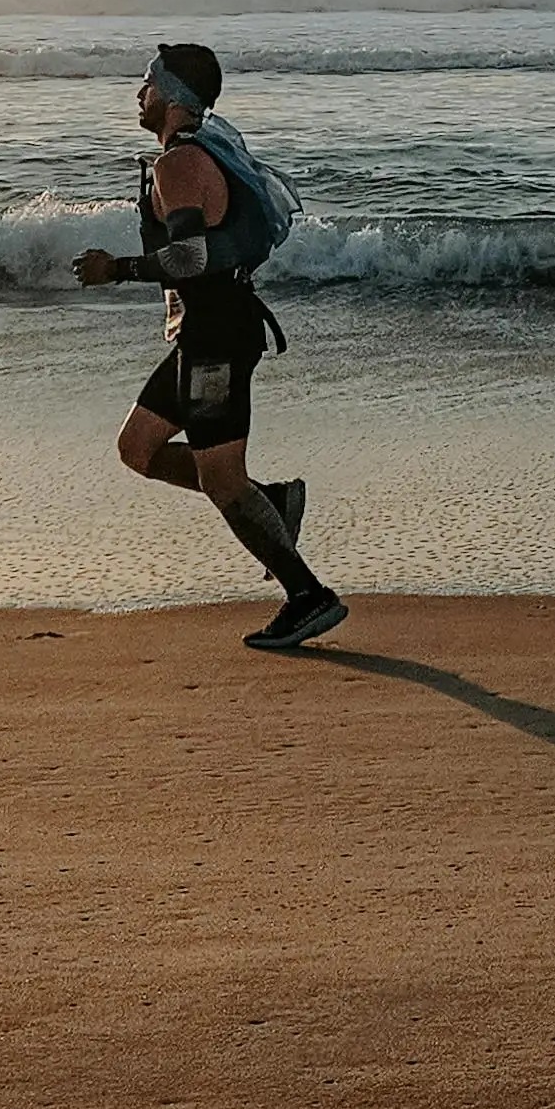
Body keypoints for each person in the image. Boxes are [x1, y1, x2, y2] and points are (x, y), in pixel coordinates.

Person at [74, 39, 344, 653]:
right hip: (206, 333)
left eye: (146, 83)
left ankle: (308, 596)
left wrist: (114, 269)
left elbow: (190, 257)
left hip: (217, 337)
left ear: (171, 96)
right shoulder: (185, 155)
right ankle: (271, 501)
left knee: (223, 481)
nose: (138, 95)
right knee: (137, 449)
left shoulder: (181, 164)